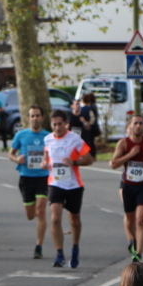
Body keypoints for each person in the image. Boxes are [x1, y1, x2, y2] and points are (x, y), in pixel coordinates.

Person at [44, 108, 94, 268]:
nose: (57, 127)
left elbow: (89, 159)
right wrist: (44, 163)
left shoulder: (75, 139)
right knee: (55, 218)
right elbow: (46, 158)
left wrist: (74, 162)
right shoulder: (47, 139)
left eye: (60, 124)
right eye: (54, 124)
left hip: (73, 185)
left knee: (74, 219)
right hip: (55, 183)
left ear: (66, 124)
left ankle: (75, 248)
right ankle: (59, 254)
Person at [8, 106, 50, 258]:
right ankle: (35, 216)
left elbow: (54, 154)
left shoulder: (48, 137)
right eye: (32, 116)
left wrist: (47, 162)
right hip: (26, 177)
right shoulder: (21, 135)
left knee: (41, 210)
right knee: (31, 215)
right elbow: (11, 154)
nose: (35, 118)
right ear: (28, 118)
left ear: (42, 118)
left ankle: (39, 246)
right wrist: (16, 159)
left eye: (38, 115)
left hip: (43, 177)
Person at [110, 114, 143, 262]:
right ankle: (132, 240)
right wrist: (130, 154)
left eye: (141, 123)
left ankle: (138, 254)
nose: (138, 126)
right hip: (128, 186)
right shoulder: (124, 143)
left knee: (140, 219)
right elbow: (113, 164)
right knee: (130, 220)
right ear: (130, 125)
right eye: (136, 123)